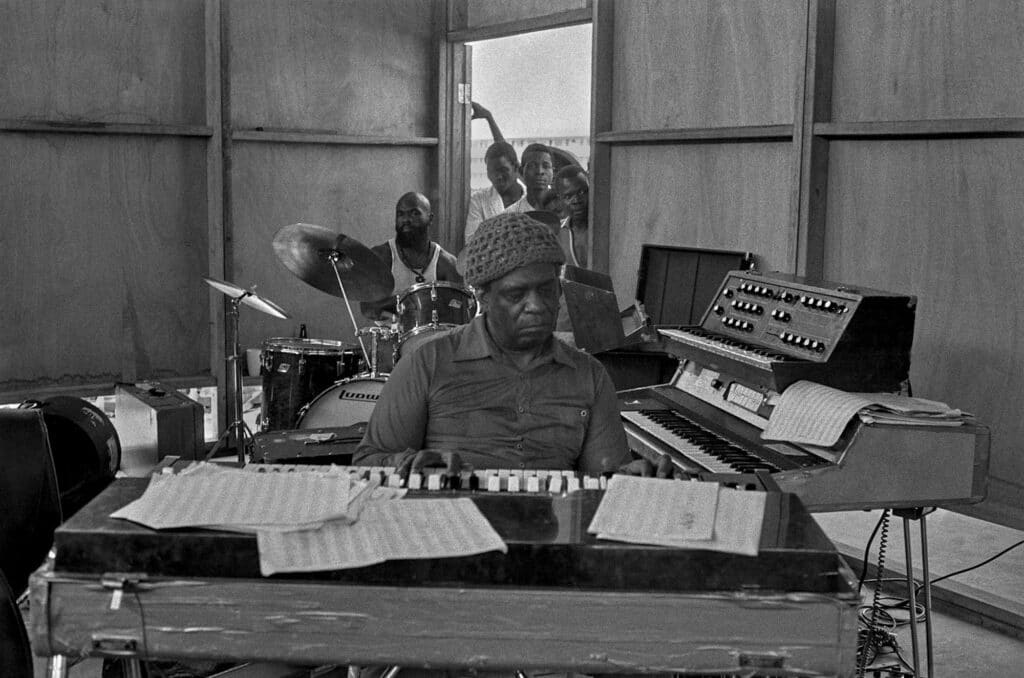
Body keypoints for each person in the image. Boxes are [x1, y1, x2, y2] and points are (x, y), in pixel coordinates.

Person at [353, 211, 631, 476]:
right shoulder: (427, 365)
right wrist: (406, 463)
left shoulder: (589, 376)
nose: (536, 306)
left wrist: (630, 480)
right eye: (516, 294)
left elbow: (604, 479)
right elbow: (369, 461)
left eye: (546, 290)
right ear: (483, 298)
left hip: (548, 522)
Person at [359, 192, 462, 322]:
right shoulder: (381, 256)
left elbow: (459, 310)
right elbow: (368, 308)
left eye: (414, 213)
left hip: (433, 339)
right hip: (390, 338)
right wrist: (409, 301)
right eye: (400, 214)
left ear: (430, 218)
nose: (405, 220)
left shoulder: (447, 264)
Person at [464, 103, 524, 243]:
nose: (498, 177)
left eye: (504, 171)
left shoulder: (531, 197)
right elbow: (471, 242)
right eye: (492, 172)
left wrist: (489, 118)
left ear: (516, 168)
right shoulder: (479, 200)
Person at [553, 164, 590, 268]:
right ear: (560, 200)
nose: (576, 201)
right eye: (568, 196)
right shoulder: (556, 234)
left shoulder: (606, 228)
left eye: (582, 192)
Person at [503, 143, 554, 215]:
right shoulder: (509, 215)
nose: (539, 171)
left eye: (546, 166)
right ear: (521, 171)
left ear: (553, 172)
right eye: (532, 166)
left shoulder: (565, 211)